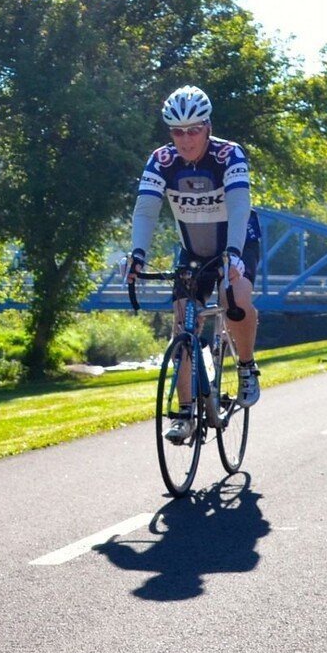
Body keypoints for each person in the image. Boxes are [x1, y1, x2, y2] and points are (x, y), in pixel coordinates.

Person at [127, 85, 262, 440]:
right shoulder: (161, 161)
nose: (185, 139)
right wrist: (137, 254)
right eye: (177, 131)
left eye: (193, 130)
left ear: (208, 126)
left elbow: (237, 205)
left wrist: (233, 253)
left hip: (237, 240)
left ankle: (247, 366)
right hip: (194, 251)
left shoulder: (228, 155)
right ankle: (185, 413)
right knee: (182, 322)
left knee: (236, 295)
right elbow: (145, 210)